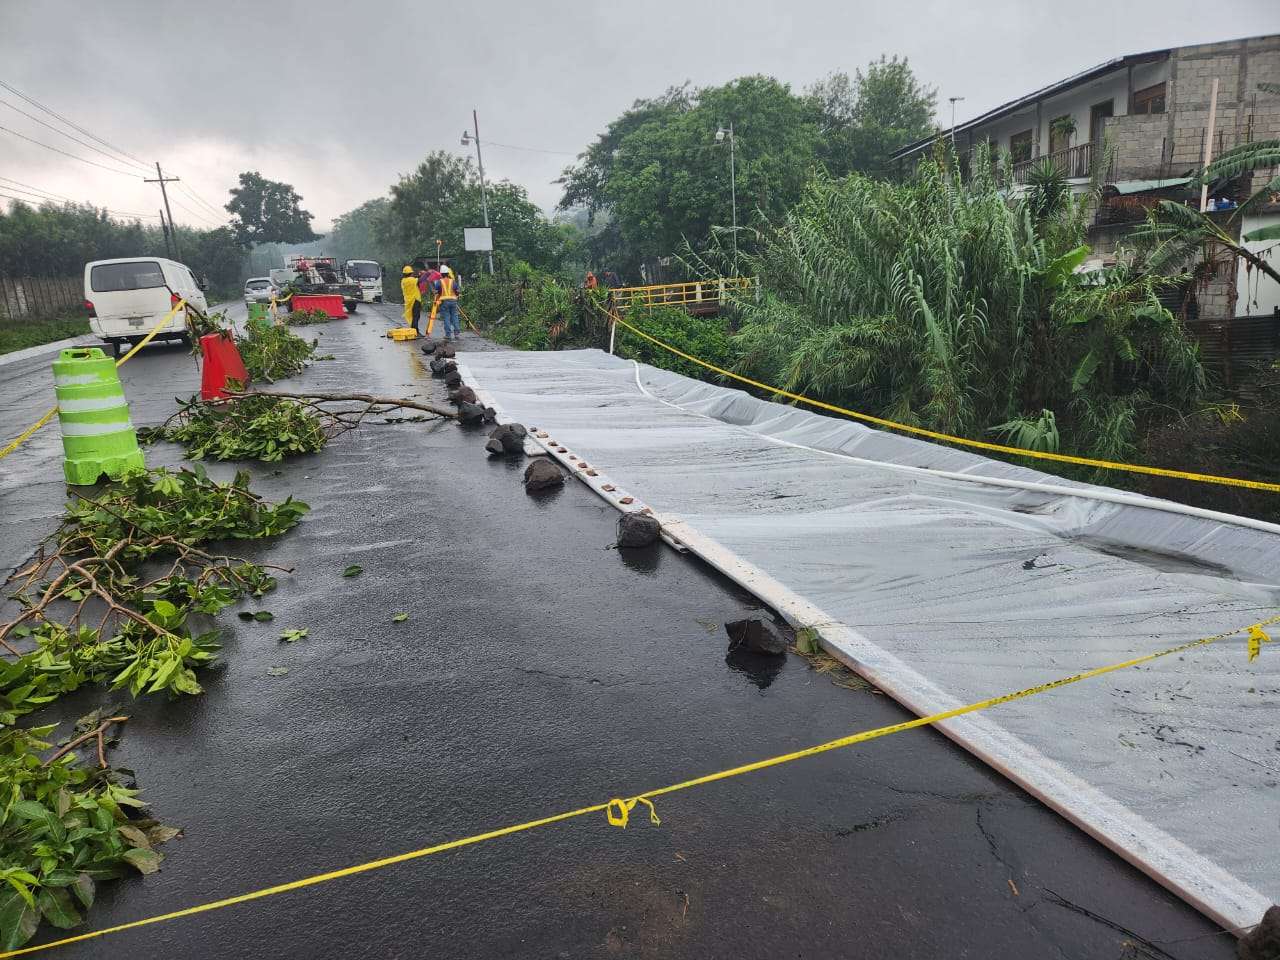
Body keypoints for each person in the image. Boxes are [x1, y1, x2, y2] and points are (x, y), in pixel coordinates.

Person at [432, 265, 462, 340]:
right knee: (455, 316)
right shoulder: (452, 281)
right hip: (453, 301)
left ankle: (448, 335)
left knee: (446, 317)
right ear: (448, 273)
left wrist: (437, 296)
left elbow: (436, 292)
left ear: (441, 274)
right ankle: (456, 334)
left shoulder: (439, 282)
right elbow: (457, 291)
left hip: (444, 302)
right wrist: (457, 295)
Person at [400, 266, 422, 331]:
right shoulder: (412, 280)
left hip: (408, 300)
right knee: (416, 316)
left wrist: (418, 276)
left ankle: (413, 329)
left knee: (411, 316)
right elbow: (420, 280)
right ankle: (415, 330)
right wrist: (425, 274)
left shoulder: (403, 281)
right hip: (415, 300)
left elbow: (415, 281)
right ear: (411, 273)